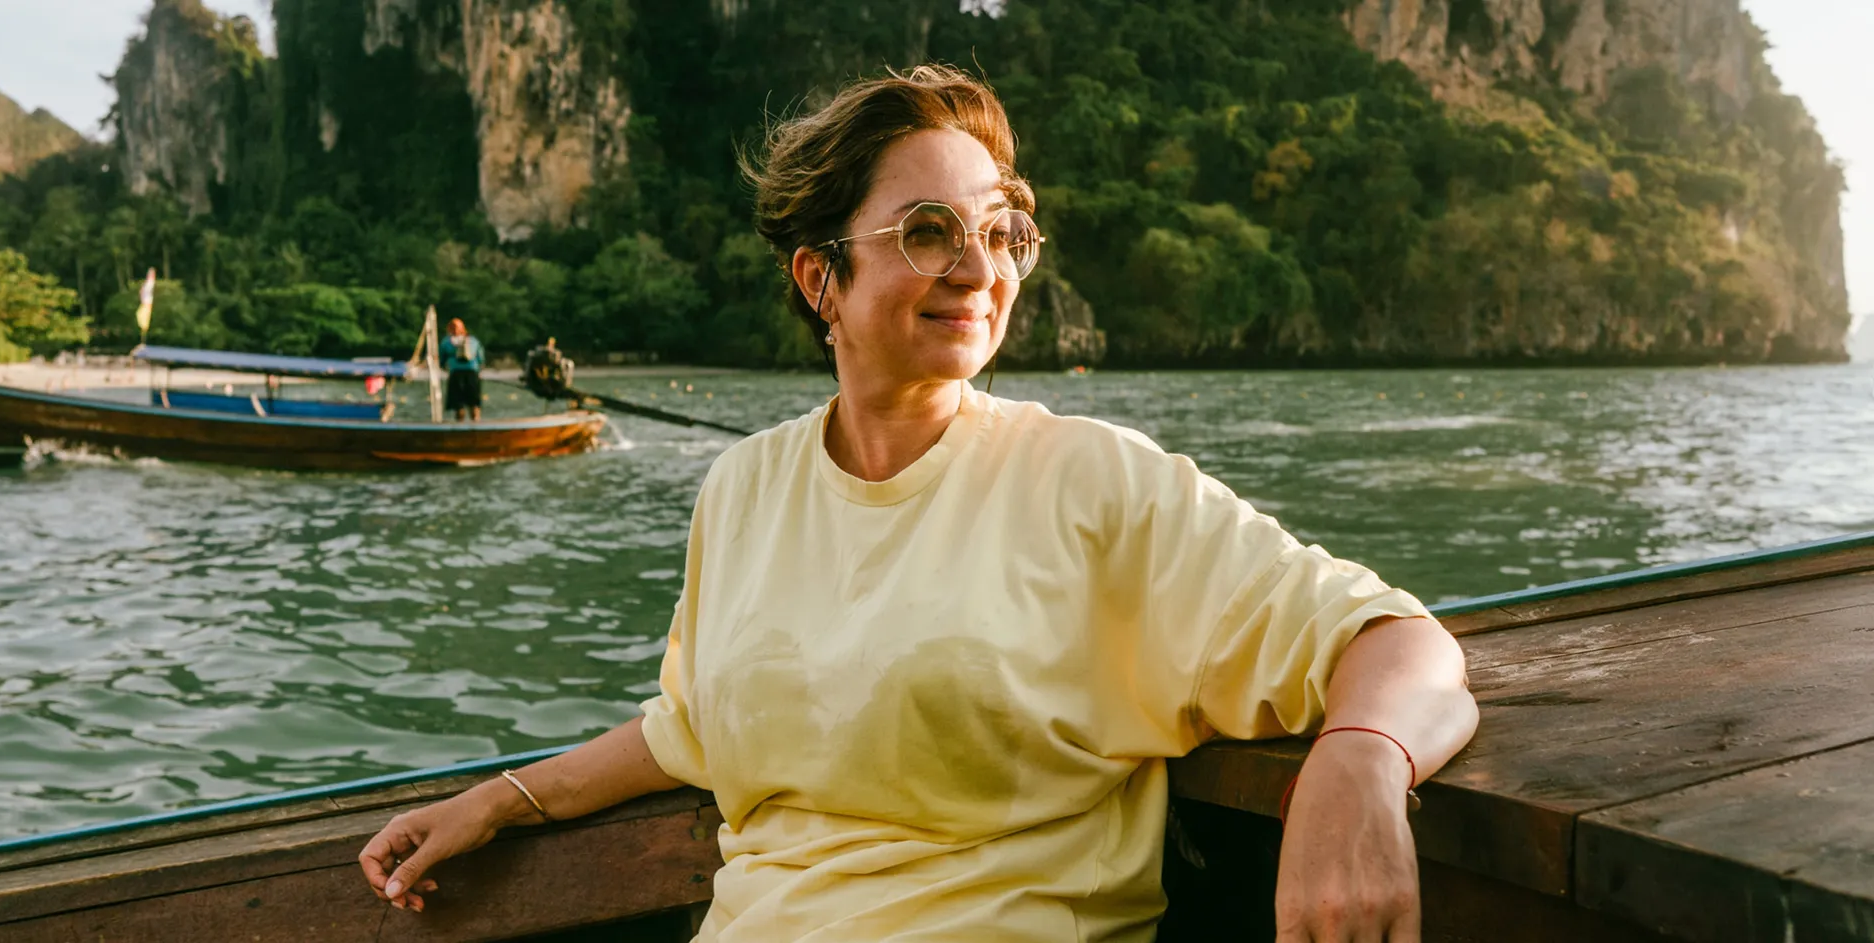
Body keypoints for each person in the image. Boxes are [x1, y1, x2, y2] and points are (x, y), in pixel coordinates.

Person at [360, 65, 1478, 942]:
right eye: (928, 231)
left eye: (1000, 232)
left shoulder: (1087, 480)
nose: (978, 267)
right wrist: (501, 799)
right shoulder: (745, 488)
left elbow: (1396, 639)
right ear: (820, 280)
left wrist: (1361, 761)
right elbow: (689, 728)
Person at [438, 318, 483, 421]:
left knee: (460, 403)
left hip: (457, 373)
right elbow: (480, 358)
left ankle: (462, 425)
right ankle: (474, 423)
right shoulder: (473, 341)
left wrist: (444, 366)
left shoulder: (446, 342)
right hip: (471, 372)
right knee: (472, 403)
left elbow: (442, 359)